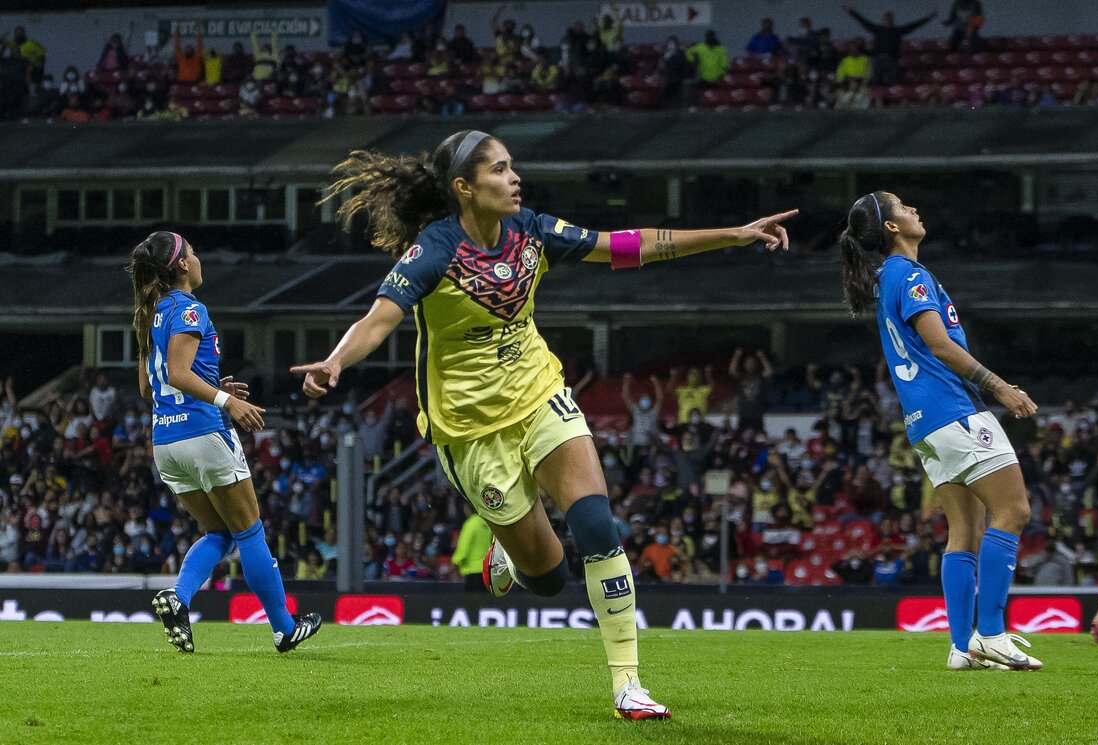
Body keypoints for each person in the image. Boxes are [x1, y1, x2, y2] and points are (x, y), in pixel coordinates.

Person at [292, 129, 795, 719]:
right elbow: (380, 319)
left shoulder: (530, 230)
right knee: (550, 579)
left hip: (539, 395)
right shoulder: (435, 248)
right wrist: (334, 361)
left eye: (512, 168)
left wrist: (732, 235)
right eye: (500, 171)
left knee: (596, 523)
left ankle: (628, 683)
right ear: (464, 188)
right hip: (470, 430)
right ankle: (510, 553)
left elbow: (627, 245)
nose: (514, 179)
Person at [838, 191, 1041, 671]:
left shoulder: (887, 276)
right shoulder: (909, 275)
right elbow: (941, 345)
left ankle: (960, 646)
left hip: (922, 421)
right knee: (1013, 511)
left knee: (964, 529)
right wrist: (998, 387)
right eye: (903, 207)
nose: (914, 210)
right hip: (952, 408)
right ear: (890, 227)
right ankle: (990, 634)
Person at [127, 230, 320, 654]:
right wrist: (226, 400)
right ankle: (284, 628)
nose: (198, 258)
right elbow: (178, 374)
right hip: (204, 433)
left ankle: (178, 597)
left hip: (166, 442)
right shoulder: (189, 309)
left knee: (218, 531)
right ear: (180, 266)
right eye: (192, 252)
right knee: (249, 532)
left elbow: (150, 386)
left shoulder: (149, 313)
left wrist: (213, 385)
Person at [451, 502, 492, 591]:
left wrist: (455, 562)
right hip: (488, 572)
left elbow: (463, 547)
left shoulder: (470, 524)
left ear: (468, 509)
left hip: (472, 571)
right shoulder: (488, 523)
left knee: (473, 603)